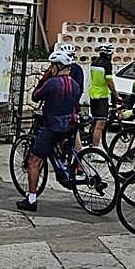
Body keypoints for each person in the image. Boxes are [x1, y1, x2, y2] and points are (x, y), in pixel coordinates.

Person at [16, 51, 82, 213]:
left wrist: (45, 78)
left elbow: (35, 97)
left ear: (57, 66)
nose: (51, 68)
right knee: (62, 143)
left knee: (34, 161)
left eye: (52, 66)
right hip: (70, 125)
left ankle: (31, 200)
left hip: (53, 126)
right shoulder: (75, 84)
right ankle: (65, 167)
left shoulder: (52, 83)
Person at [88, 43, 117, 147]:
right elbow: (109, 82)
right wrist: (116, 95)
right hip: (102, 96)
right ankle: (95, 149)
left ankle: (91, 146)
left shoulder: (94, 62)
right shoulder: (107, 64)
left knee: (94, 122)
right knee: (100, 124)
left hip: (93, 94)